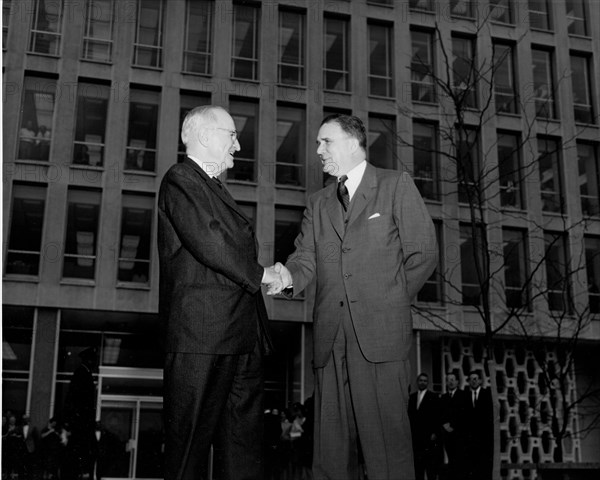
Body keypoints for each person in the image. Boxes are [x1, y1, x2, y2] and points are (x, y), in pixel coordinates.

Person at [267, 114, 438, 480]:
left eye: (324, 142)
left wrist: (387, 301)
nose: (317, 150)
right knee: (329, 456)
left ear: (352, 143)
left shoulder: (395, 186)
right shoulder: (318, 203)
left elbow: (423, 253)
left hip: (381, 338)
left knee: (388, 453)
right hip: (331, 340)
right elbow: (306, 258)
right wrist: (286, 275)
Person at [158, 105, 277, 480]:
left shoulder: (211, 186)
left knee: (242, 450)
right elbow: (211, 240)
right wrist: (262, 275)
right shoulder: (181, 178)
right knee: (188, 449)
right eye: (232, 135)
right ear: (207, 136)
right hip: (202, 336)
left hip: (240, 337)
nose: (238, 146)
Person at [62, 346, 99, 480]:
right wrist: (74, 421)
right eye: (93, 359)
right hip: (81, 423)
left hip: (82, 423)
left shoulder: (85, 373)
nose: (95, 362)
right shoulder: (82, 374)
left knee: (84, 453)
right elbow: (74, 400)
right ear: (88, 360)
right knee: (81, 454)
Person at [407, 373, 442, 480]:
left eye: (425, 381)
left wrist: (435, 433)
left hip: (428, 438)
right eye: (421, 380)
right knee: (418, 468)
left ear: (428, 383)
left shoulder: (433, 397)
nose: (423, 382)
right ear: (417, 382)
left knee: (430, 467)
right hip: (416, 439)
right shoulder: (412, 397)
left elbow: (437, 417)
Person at [463, 370, 494, 480]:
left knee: (484, 468)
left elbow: (490, 416)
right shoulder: (465, 395)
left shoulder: (487, 394)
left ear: (480, 381)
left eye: (475, 379)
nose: (473, 381)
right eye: (471, 379)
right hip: (470, 441)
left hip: (484, 439)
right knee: (472, 468)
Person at [440, 372, 467, 480]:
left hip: (460, 435)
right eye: (448, 379)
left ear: (457, 382)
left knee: (460, 461)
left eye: (453, 379)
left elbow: (464, 414)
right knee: (450, 460)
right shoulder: (443, 397)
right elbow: (441, 414)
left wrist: (453, 426)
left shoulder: (463, 395)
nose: (450, 382)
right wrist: (445, 425)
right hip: (448, 435)